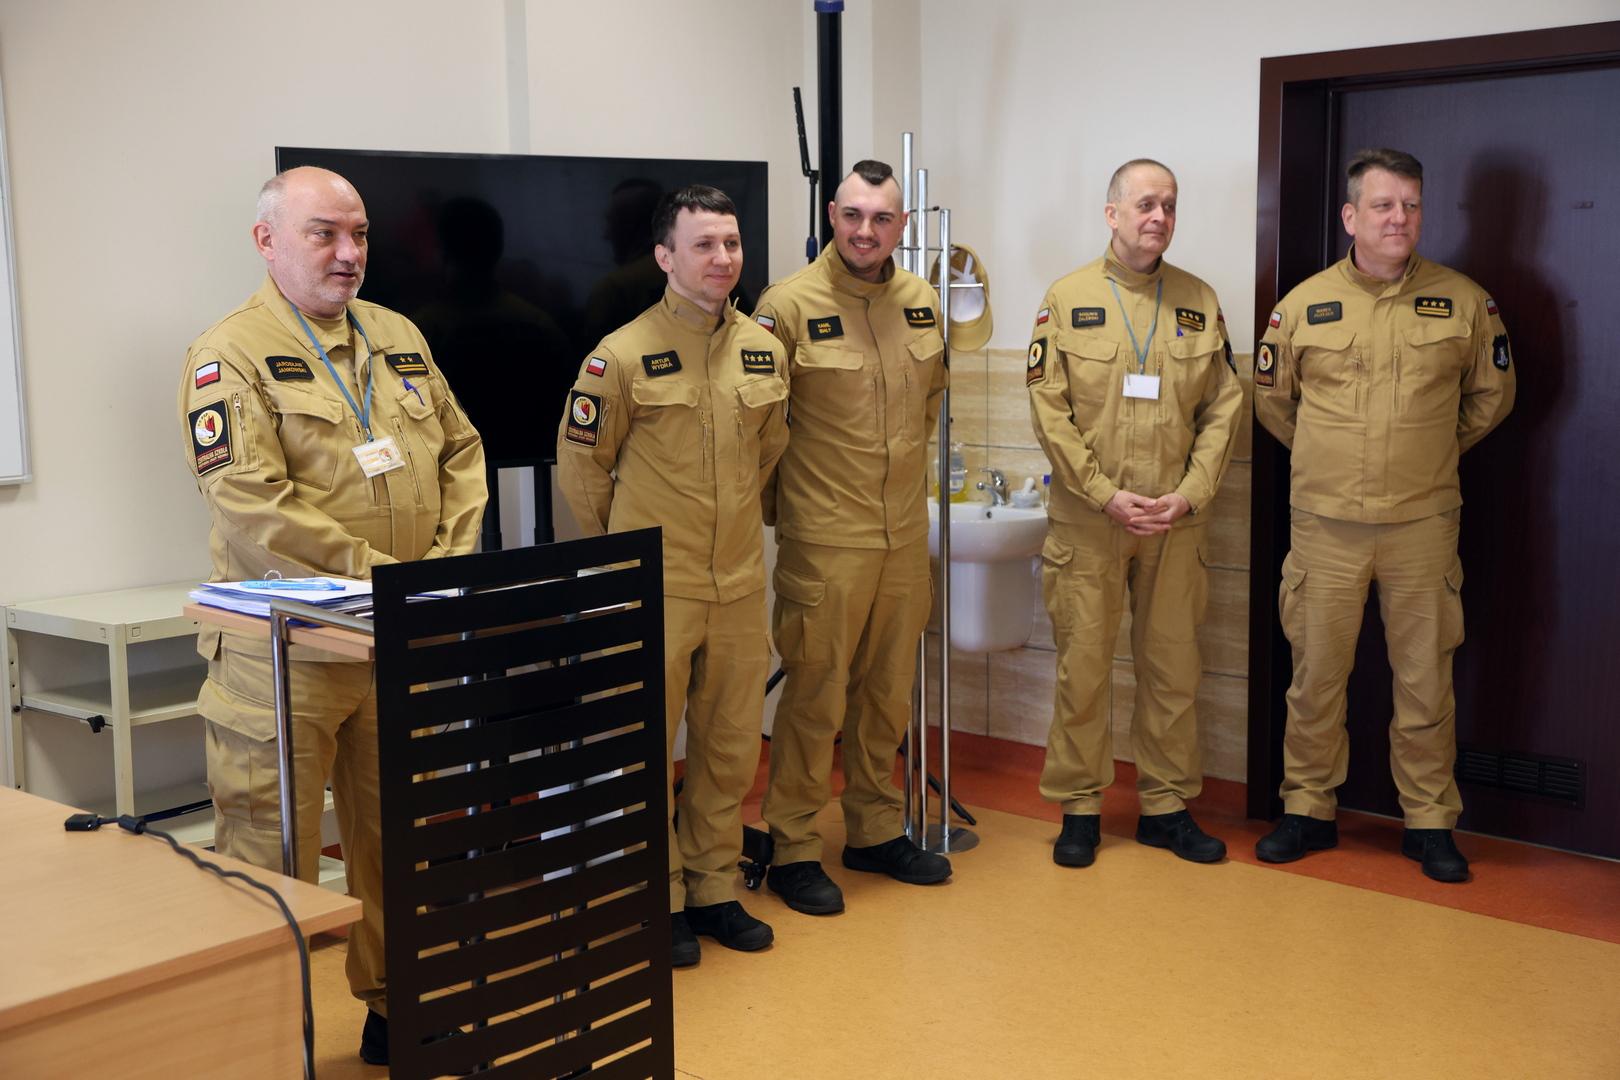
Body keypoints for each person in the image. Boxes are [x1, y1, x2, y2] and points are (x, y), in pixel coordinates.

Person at [178, 166, 487, 1065]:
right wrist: (386, 577)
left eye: (359, 235)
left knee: (400, 839)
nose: (349, 253)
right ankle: (265, 1041)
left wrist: (443, 567)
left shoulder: (396, 334)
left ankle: (399, 1007)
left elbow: (461, 451)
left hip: (394, 641)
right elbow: (250, 500)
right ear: (267, 240)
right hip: (285, 654)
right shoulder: (227, 354)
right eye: (325, 234)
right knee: (268, 854)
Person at [1253, 147, 1516, 882]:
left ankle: (1429, 821)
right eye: (1382, 205)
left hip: (1422, 524)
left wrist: (1428, 452)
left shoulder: (1464, 302)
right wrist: (1330, 458)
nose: (1399, 218)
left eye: (1410, 205)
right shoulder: (1302, 306)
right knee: (1315, 676)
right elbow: (1274, 403)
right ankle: (1307, 808)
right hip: (1326, 524)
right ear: (1351, 216)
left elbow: (1491, 397)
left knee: (1426, 680)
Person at [555, 184, 788, 967]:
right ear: (664, 256)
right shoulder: (619, 355)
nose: (722, 258)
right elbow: (582, 469)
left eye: (731, 243)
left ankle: (715, 888)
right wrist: (623, 555)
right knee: (643, 751)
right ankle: (656, 897)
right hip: (655, 584)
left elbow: (768, 449)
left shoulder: (762, 348)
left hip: (739, 585)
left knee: (729, 748)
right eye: (703, 244)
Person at [1026, 159, 1243, 868]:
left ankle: (1166, 807)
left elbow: (1224, 408)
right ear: (1112, 213)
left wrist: (1191, 492)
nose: (1159, 217)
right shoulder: (1067, 298)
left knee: (1173, 669)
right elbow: (1049, 411)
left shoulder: (1199, 300)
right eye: (1146, 204)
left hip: (1174, 522)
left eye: (1170, 206)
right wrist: (1102, 492)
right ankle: (1080, 809)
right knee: (1083, 670)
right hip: (1091, 520)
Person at [754, 159, 951, 917]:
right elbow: (761, 430)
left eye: (882, 218)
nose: (865, 231)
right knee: (815, 694)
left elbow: (927, 407)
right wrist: (790, 513)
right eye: (853, 215)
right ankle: (794, 845)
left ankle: (873, 829)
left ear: (902, 225)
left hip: (903, 535)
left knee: (886, 693)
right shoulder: (786, 305)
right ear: (832, 215)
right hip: (826, 539)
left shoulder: (922, 303)